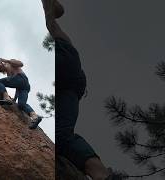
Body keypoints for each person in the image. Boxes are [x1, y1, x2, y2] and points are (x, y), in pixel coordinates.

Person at [41, 0, 115, 179]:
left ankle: (101, 174)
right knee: (63, 134)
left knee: (63, 136)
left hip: (68, 73)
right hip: (72, 69)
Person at [0, 58, 43, 129]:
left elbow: (21, 64)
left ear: (1, 62)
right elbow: (17, 86)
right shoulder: (9, 75)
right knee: (21, 105)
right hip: (24, 86)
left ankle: (6, 98)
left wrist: (7, 61)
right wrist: (15, 99)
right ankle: (35, 117)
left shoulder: (10, 63)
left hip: (21, 78)